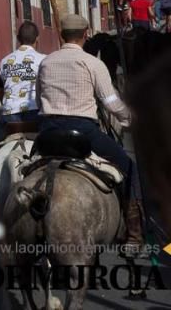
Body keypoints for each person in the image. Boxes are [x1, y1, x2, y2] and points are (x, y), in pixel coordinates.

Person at [36, 13, 142, 251]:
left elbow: (37, 99)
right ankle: (135, 234)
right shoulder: (92, 63)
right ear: (85, 35)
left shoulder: (46, 62)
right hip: (82, 131)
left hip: (48, 130)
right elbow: (111, 101)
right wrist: (129, 118)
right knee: (128, 167)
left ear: (61, 35)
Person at [0, 21, 43, 149]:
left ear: (18, 39)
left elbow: (1, 93)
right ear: (37, 39)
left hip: (10, 115)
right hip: (35, 113)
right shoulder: (44, 60)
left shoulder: (4, 61)